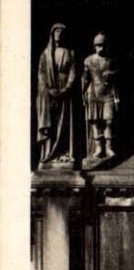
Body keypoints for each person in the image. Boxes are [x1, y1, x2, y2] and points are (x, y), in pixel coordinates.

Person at [36, 23, 77, 166]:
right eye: (57, 31)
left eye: (61, 32)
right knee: (51, 123)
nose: (59, 34)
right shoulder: (45, 54)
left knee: (64, 123)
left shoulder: (69, 52)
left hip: (65, 92)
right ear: (52, 34)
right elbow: (41, 74)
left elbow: (73, 72)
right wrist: (49, 89)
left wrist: (66, 88)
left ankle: (63, 153)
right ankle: (48, 154)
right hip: (49, 93)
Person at [82, 33, 119, 161]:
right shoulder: (88, 60)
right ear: (94, 46)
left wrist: (112, 74)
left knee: (109, 120)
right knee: (95, 121)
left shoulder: (110, 60)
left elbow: (118, 75)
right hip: (93, 93)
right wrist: (84, 92)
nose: (100, 48)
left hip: (108, 93)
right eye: (98, 45)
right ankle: (98, 147)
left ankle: (109, 147)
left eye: (102, 45)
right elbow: (85, 78)